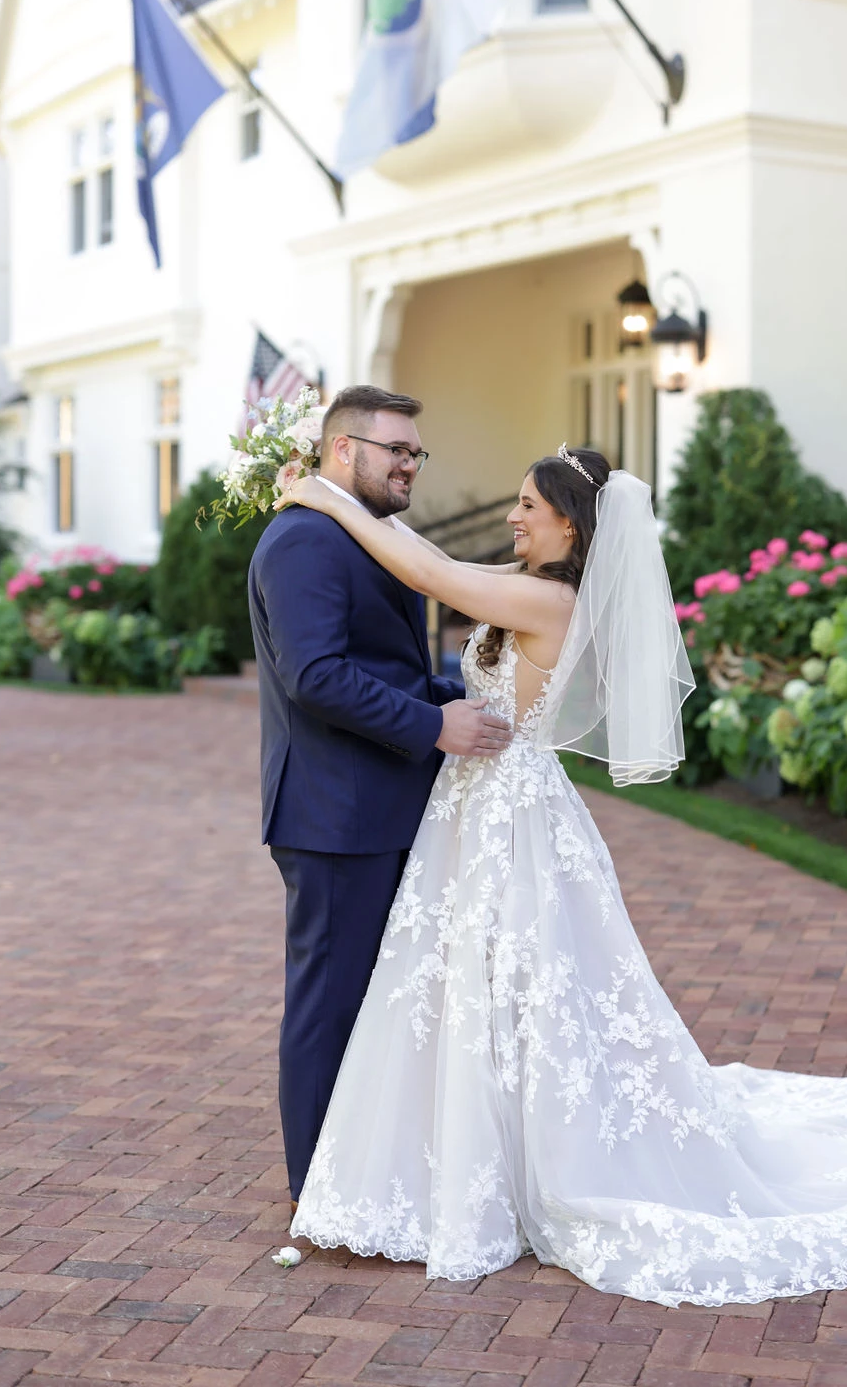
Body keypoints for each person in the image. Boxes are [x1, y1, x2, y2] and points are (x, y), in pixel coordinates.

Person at [276, 445, 847, 1307]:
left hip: (510, 819)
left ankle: (529, 1165)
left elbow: (429, 566)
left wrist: (319, 495)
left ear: (570, 525)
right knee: (479, 987)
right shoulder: (532, 587)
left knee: (518, 985)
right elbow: (448, 594)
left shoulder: (552, 598)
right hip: (477, 811)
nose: (513, 516)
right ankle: (471, 1155)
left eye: (527, 505)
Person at [248, 385, 512, 1214]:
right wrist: (434, 727)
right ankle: (317, 1189)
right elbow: (316, 676)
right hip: (335, 815)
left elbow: (384, 665)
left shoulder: (369, 535)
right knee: (329, 1003)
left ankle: (370, 1170)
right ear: (341, 451)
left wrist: (465, 697)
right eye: (393, 448)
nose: (408, 464)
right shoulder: (302, 544)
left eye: (414, 452)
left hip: (383, 804)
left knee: (383, 997)